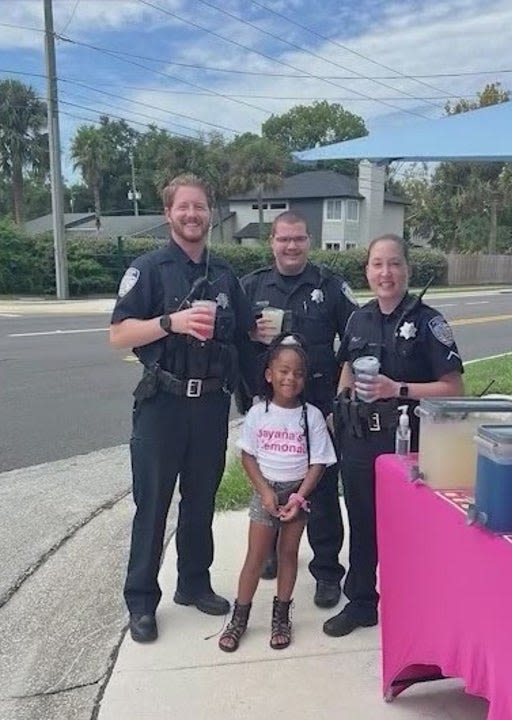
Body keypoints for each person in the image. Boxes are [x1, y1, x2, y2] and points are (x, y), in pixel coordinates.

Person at [108, 173, 256, 644]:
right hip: (162, 404)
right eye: (183, 207)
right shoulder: (148, 269)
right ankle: (141, 602)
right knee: (151, 506)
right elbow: (118, 335)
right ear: (169, 212)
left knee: (201, 502)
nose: (192, 215)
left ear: (210, 213)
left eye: (200, 207)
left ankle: (193, 584)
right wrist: (170, 322)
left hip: (210, 405)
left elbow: (242, 341)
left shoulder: (227, 276)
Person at [324, 234, 466, 637]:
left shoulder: (428, 321)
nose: (385, 273)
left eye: (394, 264)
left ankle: (416, 606)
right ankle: (362, 602)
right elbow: (347, 367)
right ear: (367, 270)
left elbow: (453, 388)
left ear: (407, 269)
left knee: (410, 529)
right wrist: (339, 407)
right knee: (362, 521)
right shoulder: (357, 318)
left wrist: (397, 389)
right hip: (358, 441)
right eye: (377, 265)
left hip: (409, 441)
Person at [237, 210, 358, 609]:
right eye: (283, 239)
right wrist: (249, 335)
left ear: (310, 241)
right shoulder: (251, 286)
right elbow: (234, 346)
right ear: (271, 241)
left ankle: (326, 571)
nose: (291, 246)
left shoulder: (331, 286)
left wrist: (341, 398)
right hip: (271, 411)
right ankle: (270, 551)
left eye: (299, 239)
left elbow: (356, 340)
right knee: (270, 483)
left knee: (321, 493)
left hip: (318, 410)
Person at [217, 336, 337, 652]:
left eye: (298, 373)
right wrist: (265, 492)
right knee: (255, 557)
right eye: (283, 371)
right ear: (269, 374)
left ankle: (281, 615)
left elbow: (319, 462)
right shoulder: (259, 413)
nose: (290, 378)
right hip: (266, 492)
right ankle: (239, 618)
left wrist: (299, 497)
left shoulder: (311, 416)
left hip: (298, 494)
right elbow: (247, 456)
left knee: (287, 554)